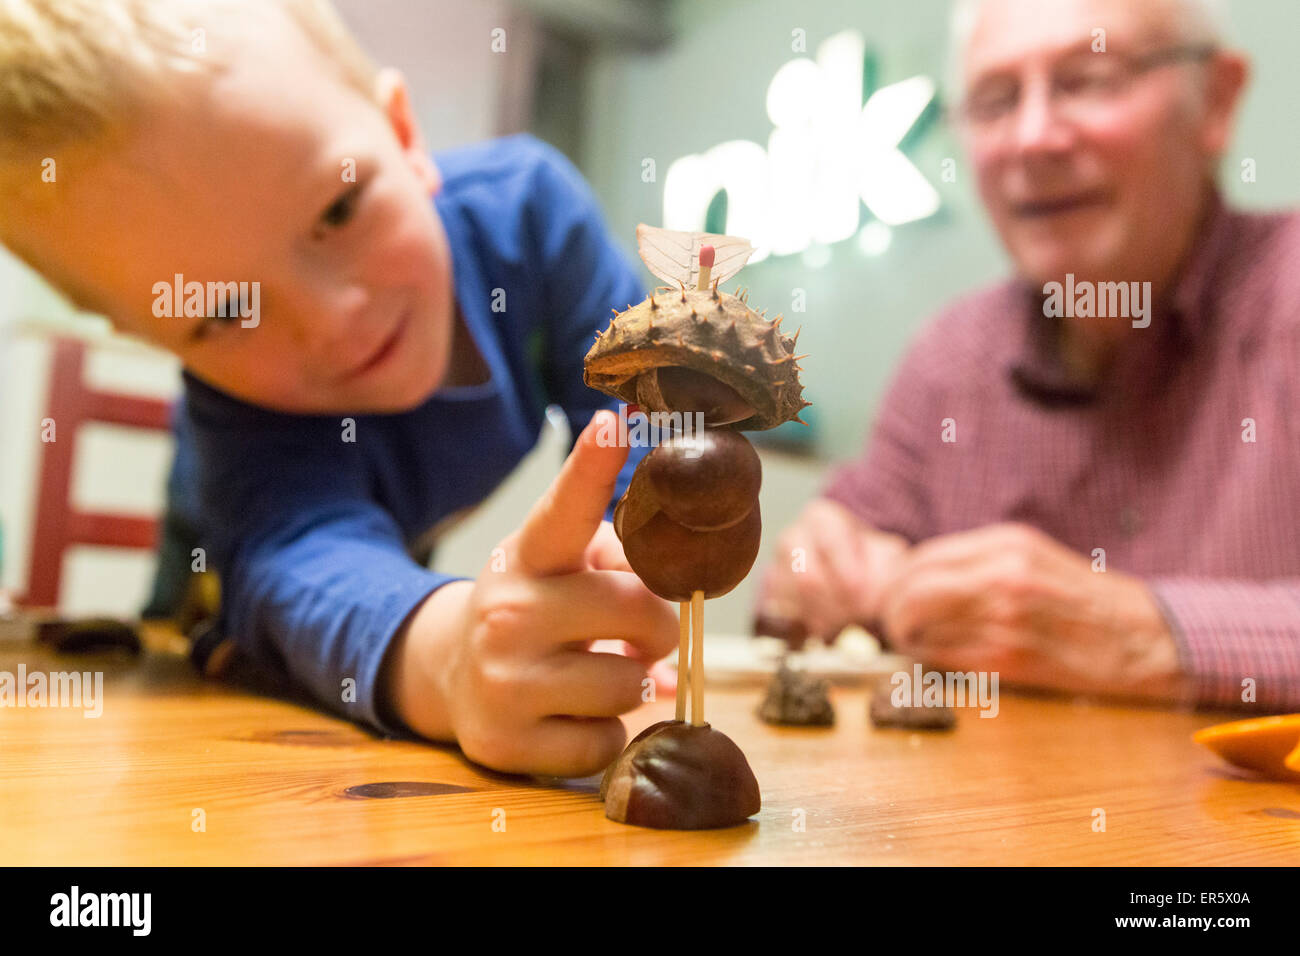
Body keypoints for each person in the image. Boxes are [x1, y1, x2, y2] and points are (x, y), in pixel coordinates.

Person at [0, 0, 678, 776]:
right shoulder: (239, 408)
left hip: (387, 541)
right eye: (223, 312)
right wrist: (455, 659)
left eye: (339, 208)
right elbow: (301, 559)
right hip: (234, 557)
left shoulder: (529, 219)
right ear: (148, 337)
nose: (334, 321)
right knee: (213, 659)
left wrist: (632, 558)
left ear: (402, 133)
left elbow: (642, 395)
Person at [756, 0, 1300, 711]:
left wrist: (1140, 635)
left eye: (1088, 80)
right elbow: (809, 577)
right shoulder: (948, 361)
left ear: (1216, 101)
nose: (1033, 138)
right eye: (995, 100)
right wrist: (819, 569)